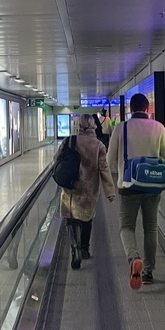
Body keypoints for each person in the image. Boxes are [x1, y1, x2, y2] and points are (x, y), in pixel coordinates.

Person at [107, 93, 165, 287]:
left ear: (130, 109)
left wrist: (122, 167)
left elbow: (110, 159)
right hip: (153, 187)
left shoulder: (121, 128)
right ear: (147, 108)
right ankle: (148, 272)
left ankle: (134, 258)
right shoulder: (158, 127)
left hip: (128, 187)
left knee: (127, 227)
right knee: (150, 228)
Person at [55, 114, 116, 269]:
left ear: (79, 125)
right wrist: (109, 190)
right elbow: (104, 168)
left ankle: (74, 247)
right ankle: (84, 248)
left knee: (71, 218)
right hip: (89, 188)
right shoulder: (98, 145)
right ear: (94, 126)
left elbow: (56, 158)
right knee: (87, 219)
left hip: (71, 186)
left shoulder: (69, 140)